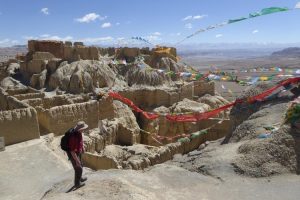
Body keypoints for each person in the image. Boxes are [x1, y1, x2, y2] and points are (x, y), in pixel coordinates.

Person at [67, 121, 88, 188]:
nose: (84, 130)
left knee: (80, 165)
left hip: (78, 151)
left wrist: (82, 147)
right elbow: (72, 151)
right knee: (78, 168)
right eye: (83, 129)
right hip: (73, 154)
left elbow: (81, 140)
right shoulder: (73, 137)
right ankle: (77, 184)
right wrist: (77, 160)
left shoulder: (79, 132)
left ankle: (80, 178)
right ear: (80, 129)